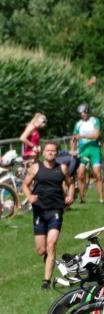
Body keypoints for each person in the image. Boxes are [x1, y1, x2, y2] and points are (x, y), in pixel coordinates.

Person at [20, 141, 74, 290]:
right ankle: (48, 257)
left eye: (53, 151)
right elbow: (25, 185)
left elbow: (71, 184)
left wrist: (70, 196)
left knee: (51, 244)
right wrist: (29, 197)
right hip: (39, 211)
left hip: (56, 210)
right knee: (41, 250)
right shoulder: (35, 167)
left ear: (57, 153)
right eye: (48, 150)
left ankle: (46, 281)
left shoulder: (62, 168)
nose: (50, 153)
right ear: (43, 153)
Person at [71, 103, 103, 203]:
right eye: (81, 113)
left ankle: (101, 198)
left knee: (97, 175)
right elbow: (74, 138)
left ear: (88, 111)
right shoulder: (78, 124)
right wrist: (72, 150)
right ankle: (82, 198)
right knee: (80, 174)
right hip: (83, 150)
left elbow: (96, 135)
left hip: (94, 149)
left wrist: (82, 136)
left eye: (85, 112)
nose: (83, 114)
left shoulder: (95, 120)